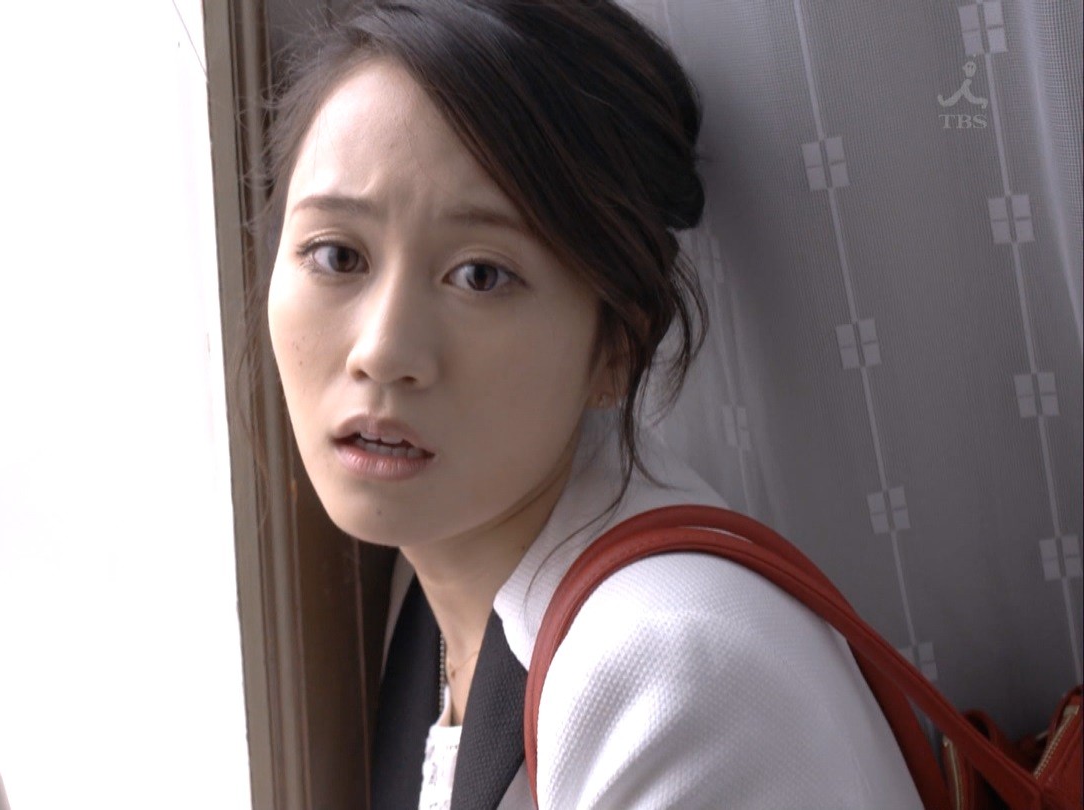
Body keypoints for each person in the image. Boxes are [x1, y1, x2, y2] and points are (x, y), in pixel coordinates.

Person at [259, 1, 924, 807]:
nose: (383, 351)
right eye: (338, 255)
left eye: (480, 275)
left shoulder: (668, 679)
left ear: (618, 346)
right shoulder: (439, 591)